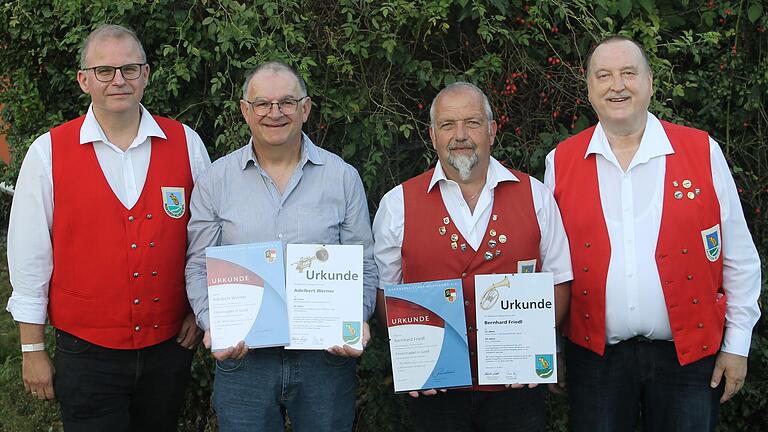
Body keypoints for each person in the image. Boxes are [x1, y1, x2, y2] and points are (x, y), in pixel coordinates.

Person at [544, 35, 762, 432]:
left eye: (629, 73)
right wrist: (549, 348)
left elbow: (739, 257)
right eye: (604, 75)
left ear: (650, 81)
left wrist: (737, 344)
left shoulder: (702, 150)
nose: (617, 85)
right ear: (589, 86)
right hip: (595, 360)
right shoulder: (560, 161)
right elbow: (551, 268)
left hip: (689, 358)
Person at [6, 24, 211, 431]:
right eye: (104, 71)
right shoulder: (47, 153)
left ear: (146, 74)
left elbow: (205, 238)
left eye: (130, 69)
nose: (119, 80)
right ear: (84, 80)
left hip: (168, 347)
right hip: (86, 352)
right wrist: (32, 349)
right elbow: (29, 258)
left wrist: (200, 309)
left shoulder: (186, 142)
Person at [184, 61, 378, 432]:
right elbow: (198, 265)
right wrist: (213, 323)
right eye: (262, 104)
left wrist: (357, 319)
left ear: (305, 109)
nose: (275, 113)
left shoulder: (342, 177)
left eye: (287, 102)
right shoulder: (215, 180)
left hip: (325, 359)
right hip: (244, 359)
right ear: (245, 111)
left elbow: (364, 264)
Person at [373, 82, 573, 431]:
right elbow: (385, 292)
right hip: (435, 385)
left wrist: (532, 351)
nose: (460, 135)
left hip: (516, 385)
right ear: (433, 135)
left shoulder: (536, 196)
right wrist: (412, 357)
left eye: (473, 123)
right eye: (448, 125)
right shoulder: (397, 203)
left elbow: (559, 282)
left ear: (492, 130)